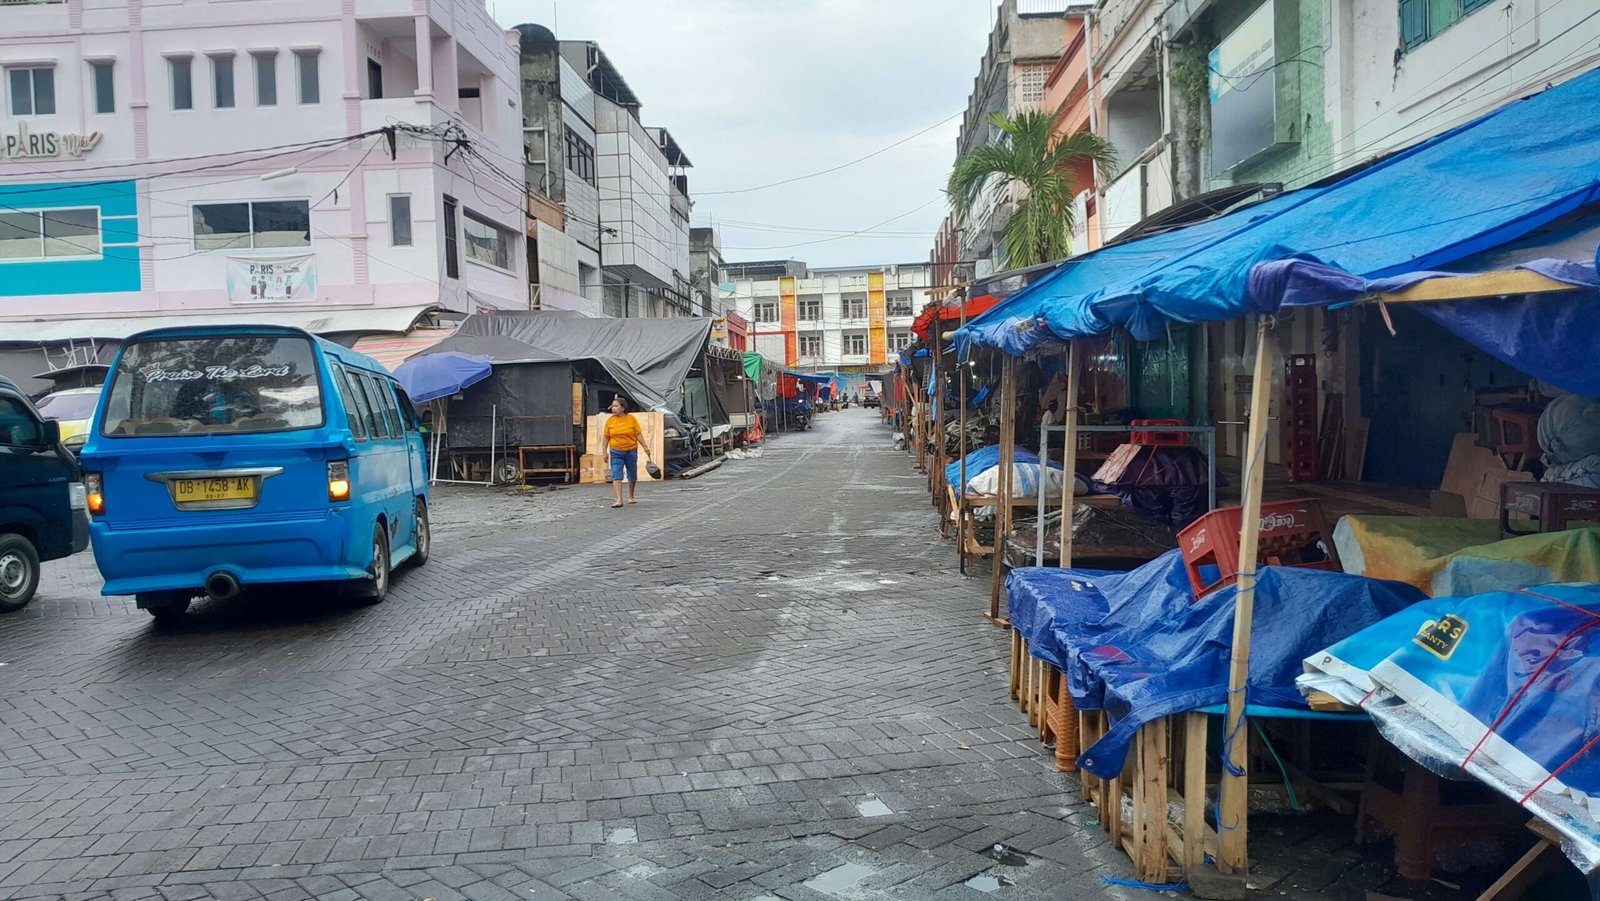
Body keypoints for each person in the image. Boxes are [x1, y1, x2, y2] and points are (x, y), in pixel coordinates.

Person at [601, 396, 654, 508]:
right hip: (616, 451)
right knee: (616, 474)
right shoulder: (610, 421)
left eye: (616, 406)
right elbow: (606, 437)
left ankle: (631, 495)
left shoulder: (631, 419)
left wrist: (645, 446)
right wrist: (604, 452)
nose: (613, 408)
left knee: (632, 473)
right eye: (612, 406)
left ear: (623, 408)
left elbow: (637, 434)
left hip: (631, 450)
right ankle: (619, 499)